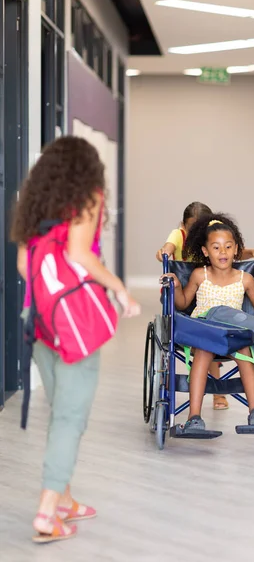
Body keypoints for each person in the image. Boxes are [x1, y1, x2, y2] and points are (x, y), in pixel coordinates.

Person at [11, 136, 140, 543]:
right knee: (71, 416)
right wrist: (120, 289)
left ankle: (64, 500)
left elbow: (22, 263)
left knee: (61, 409)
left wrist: (48, 298)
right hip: (75, 321)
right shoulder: (88, 195)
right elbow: (81, 255)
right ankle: (48, 510)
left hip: (40, 320)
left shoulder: (33, 201)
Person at [161, 213, 254, 434]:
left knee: (246, 352)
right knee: (204, 352)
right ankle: (194, 416)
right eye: (216, 247)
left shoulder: (245, 279)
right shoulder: (198, 275)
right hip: (204, 332)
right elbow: (183, 303)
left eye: (228, 247)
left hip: (233, 334)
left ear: (236, 249)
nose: (222, 252)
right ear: (205, 251)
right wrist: (176, 285)